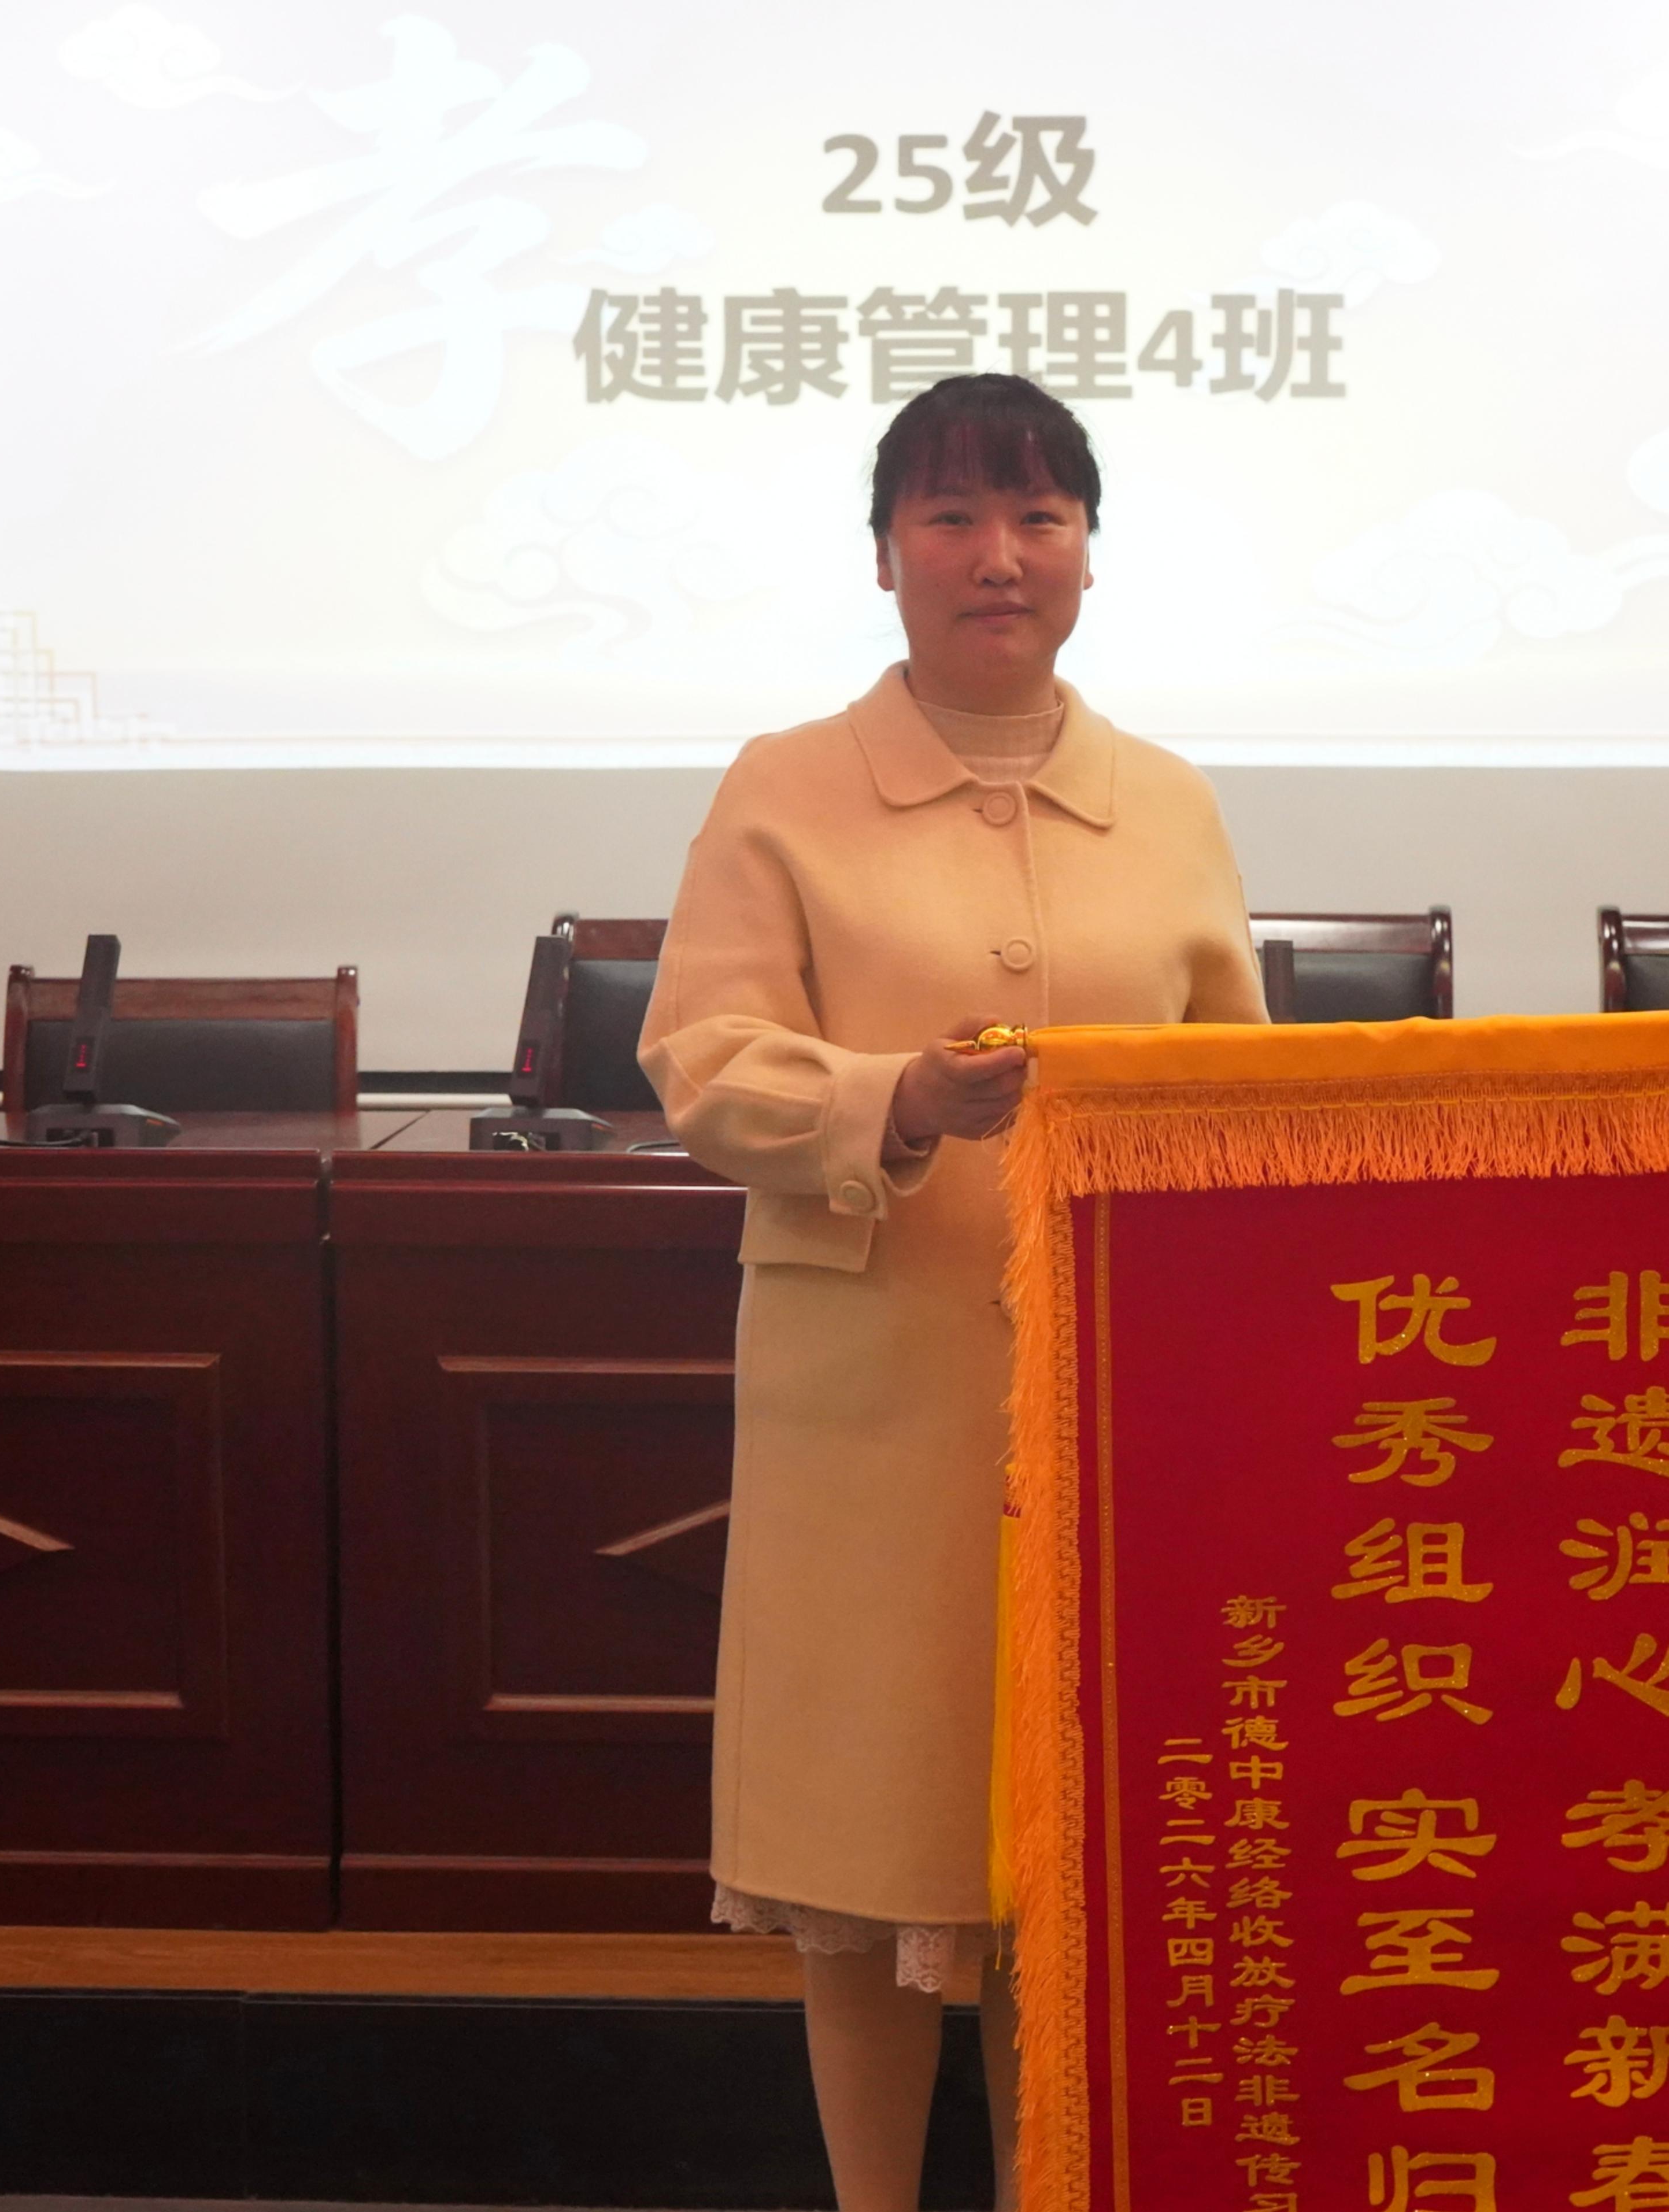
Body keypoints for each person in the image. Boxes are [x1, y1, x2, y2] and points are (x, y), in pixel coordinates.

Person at [639, 374, 1267, 2211]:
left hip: (1115, 1414)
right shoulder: (784, 785)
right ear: (885, 555)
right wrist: (894, 1098)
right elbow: (701, 1061)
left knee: (1071, 1868)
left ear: (1088, 554)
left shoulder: (1168, 802)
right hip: (871, 1405)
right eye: (953, 516)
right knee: (868, 1859)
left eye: (1041, 517)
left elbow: (1239, 1088)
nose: (1001, 555)